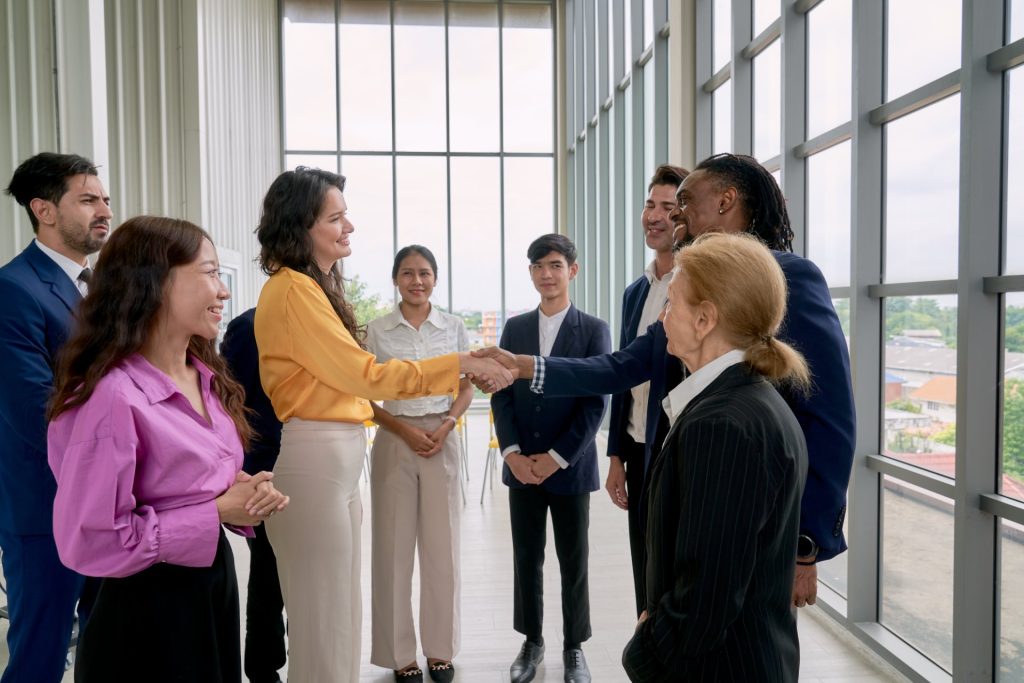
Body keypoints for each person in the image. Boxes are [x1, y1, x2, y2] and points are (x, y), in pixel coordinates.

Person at [475, 153, 855, 609]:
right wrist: (522, 366)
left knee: (744, 635)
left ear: (726, 202)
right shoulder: (692, 285)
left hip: (755, 507)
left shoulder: (787, 276)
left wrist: (807, 544)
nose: (675, 217)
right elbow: (622, 365)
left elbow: (829, 415)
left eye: (685, 203)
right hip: (685, 481)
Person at [252, 167, 513, 683]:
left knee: (339, 616)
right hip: (318, 459)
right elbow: (364, 375)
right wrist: (461, 363)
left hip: (338, 461)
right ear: (302, 225)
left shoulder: (311, 288)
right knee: (325, 624)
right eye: (336, 217)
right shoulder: (293, 290)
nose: (348, 226)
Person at [46, 216, 289, 682]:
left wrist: (242, 493)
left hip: (211, 584)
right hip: (144, 609)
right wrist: (216, 509)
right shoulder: (110, 397)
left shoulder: (205, 376)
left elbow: (185, 484)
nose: (224, 291)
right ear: (154, 281)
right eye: (210, 273)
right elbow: (93, 540)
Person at [621, 232, 809, 681]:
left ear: (705, 319)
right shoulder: (748, 401)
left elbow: (707, 597)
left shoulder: (722, 425)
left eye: (672, 304)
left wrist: (643, 652)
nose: (662, 318)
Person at [0, 152, 111, 683]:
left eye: (105, 198)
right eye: (88, 199)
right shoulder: (13, 290)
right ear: (43, 209)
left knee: (105, 642)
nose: (104, 209)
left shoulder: (102, 287)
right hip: (45, 504)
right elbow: (35, 409)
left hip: (109, 500)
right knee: (41, 654)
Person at [490, 234, 610, 683]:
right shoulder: (515, 328)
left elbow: (595, 402)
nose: (547, 274)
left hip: (570, 467)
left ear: (572, 271)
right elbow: (502, 395)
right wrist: (514, 453)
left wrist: (557, 458)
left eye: (555, 265)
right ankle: (532, 640)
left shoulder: (594, 329)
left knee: (573, 559)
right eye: (539, 266)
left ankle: (574, 646)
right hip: (521, 466)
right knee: (527, 557)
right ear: (531, 273)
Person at [366, 245, 472, 683]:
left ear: (435, 278)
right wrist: (404, 430)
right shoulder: (376, 330)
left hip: (441, 439)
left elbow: (466, 386)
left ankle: (440, 651)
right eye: (408, 273)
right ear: (395, 279)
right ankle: (400, 656)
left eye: (425, 273)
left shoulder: (453, 326)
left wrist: (447, 424)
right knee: (392, 550)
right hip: (395, 437)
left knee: (442, 549)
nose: (417, 281)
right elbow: (365, 395)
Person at [606, 164, 688, 616]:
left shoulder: (695, 289)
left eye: (668, 207)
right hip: (638, 451)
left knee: (674, 568)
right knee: (643, 564)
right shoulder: (635, 292)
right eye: (649, 205)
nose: (654, 216)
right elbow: (623, 374)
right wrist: (617, 454)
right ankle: (649, 652)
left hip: (676, 448)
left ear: (685, 218)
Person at [220, 308, 286, 683]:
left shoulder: (326, 318)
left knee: (310, 576)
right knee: (269, 576)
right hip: (265, 471)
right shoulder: (249, 326)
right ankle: (263, 668)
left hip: (318, 470)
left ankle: (307, 650)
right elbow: (232, 406)